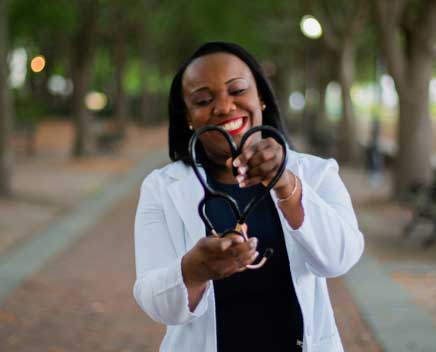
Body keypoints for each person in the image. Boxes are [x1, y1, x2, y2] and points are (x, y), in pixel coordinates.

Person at [133, 42, 364, 352]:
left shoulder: (316, 173)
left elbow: (340, 259)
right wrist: (194, 270)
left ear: (262, 98)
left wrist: (286, 184)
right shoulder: (161, 188)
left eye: (237, 90)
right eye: (204, 99)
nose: (225, 107)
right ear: (188, 117)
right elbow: (154, 301)